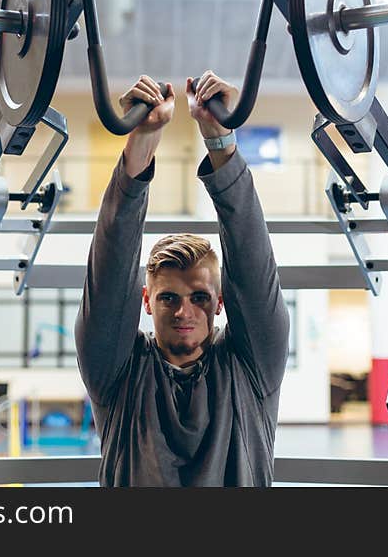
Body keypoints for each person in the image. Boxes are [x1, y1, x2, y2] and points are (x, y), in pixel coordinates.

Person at [74, 71, 290, 486]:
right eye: (169, 298)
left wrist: (219, 139)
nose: (184, 311)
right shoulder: (119, 375)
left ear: (221, 302)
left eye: (201, 298)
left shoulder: (249, 369)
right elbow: (110, 267)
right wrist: (142, 140)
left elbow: (250, 256)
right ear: (146, 301)